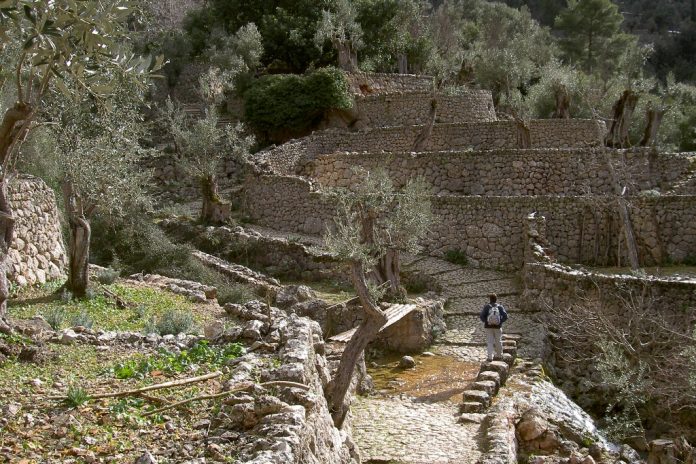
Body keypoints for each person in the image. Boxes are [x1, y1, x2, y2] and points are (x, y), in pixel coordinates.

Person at [480, 293, 508, 362]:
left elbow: (481, 316)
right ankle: (499, 356)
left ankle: (490, 357)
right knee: (498, 341)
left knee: (490, 342)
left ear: (490, 299)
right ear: (496, 299)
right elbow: (506, 316)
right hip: (498, 327)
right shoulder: (500, 307)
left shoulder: (487, 307)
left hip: (488, 327)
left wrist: (486, 322)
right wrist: (500, 322)